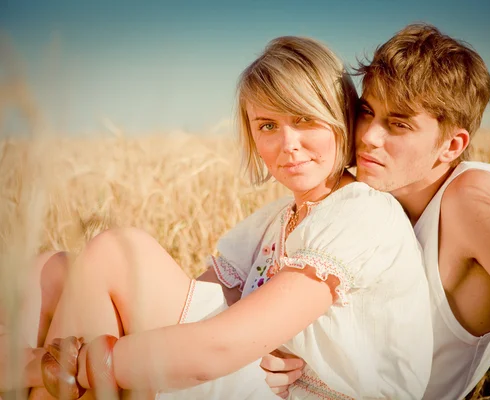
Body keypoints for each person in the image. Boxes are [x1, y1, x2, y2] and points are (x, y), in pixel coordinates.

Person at [2, 35, 433, 399]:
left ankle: (27, 374)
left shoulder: (360, 211)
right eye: (267, 126)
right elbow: (194, 301)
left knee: (116, 251)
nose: (288, 144)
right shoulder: (276, 217)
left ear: (340, 117)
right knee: (53, 270)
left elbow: (219, 348)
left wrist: (68, 364)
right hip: (259, 376)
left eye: (305, 120)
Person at [263, 23, 490, 399]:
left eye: (399, 123)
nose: (369, 137)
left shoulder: (474, 200)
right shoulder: (360, 197)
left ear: (452, 145)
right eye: (366, 112)